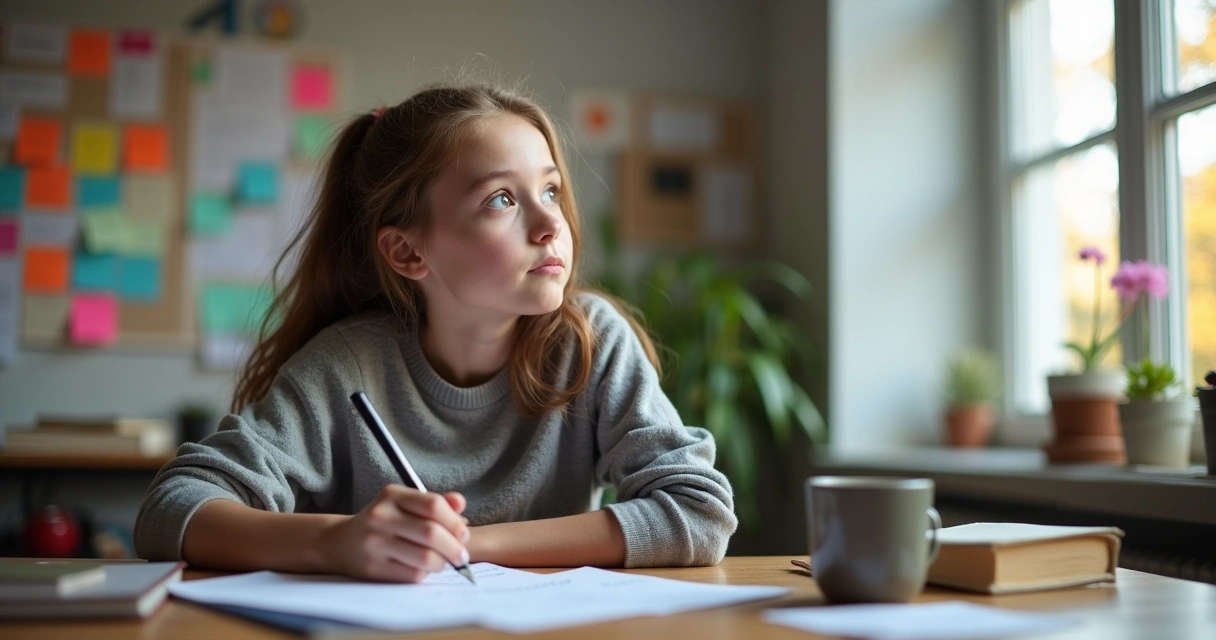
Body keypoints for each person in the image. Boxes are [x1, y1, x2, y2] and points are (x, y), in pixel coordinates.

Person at [133, 81, 736, 583]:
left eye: (550, 189)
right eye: (501, 198)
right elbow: (170, 508)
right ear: (407, 250)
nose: (552, 222)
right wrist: (335, 542)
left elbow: (699, 513)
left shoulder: (589, 344)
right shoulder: (347, 365)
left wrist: (468, 544)